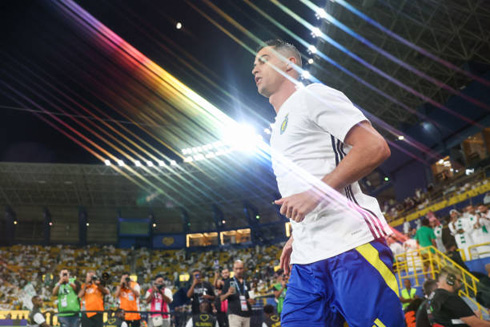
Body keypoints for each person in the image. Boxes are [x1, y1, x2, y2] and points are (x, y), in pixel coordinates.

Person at [252, 39, 403, 326]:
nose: (254, 68)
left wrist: (313, 194)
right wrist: (298, 234)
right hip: (306, 262)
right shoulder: (276, 130)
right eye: (253, 64)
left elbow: (374, 147)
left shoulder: (313, 96)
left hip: (351, 246)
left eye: (263, 59)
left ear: (289, 64)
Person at [221, 260, 255, 327]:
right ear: (233, 269)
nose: (238, 271)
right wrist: (228, 293)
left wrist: (252, 301)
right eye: (236, 268)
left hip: (246, 314)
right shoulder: (229, 282)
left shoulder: (247, 283)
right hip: (234, 314)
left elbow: (252, 299)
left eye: (240, 268)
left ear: (244, 269)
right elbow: (222, 298)